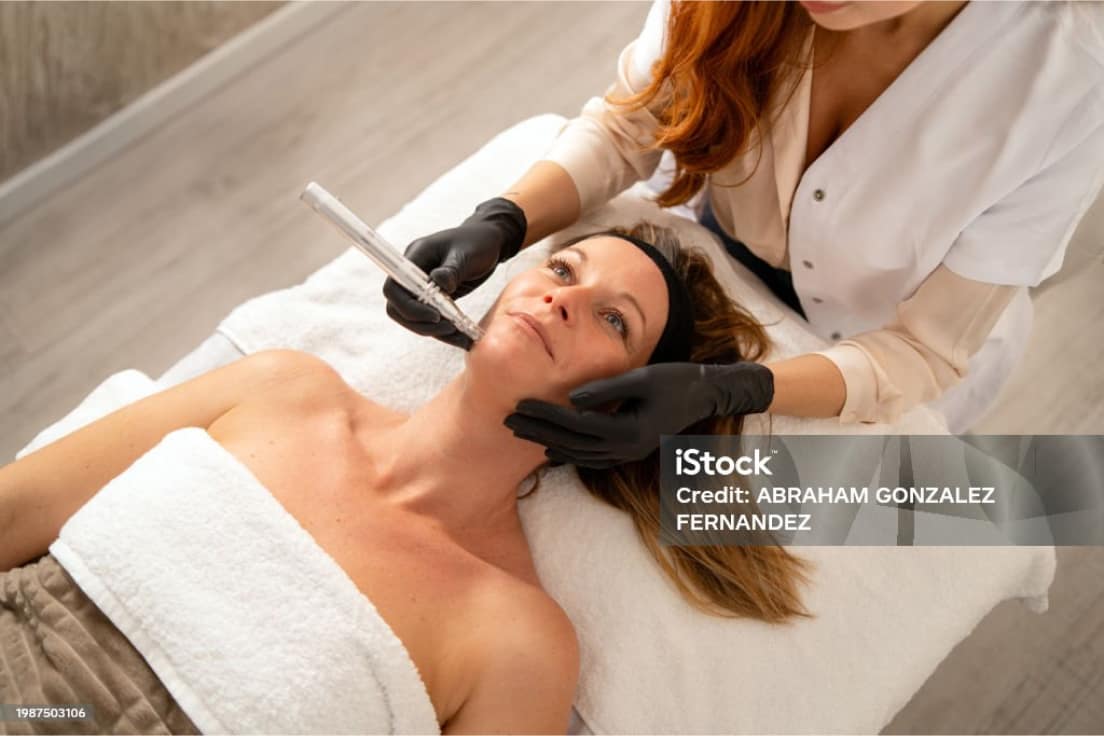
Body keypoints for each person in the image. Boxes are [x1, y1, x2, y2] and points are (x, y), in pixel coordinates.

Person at [0, 225, 808, 734]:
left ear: (626, 410)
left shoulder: (519, 641)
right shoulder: (282, 385)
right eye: (563, 268)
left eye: (612, 320)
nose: (565, 299)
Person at [384, 0, 1104, 466]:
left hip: (883, 359)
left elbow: (924, 351)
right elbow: (633, 123)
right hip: (717, 264)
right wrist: (503, 220)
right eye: (569, 278)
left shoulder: (1071, 82)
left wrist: (733, 391)